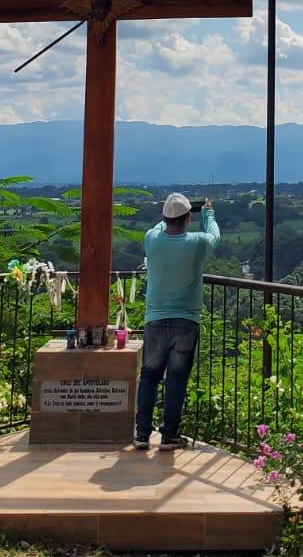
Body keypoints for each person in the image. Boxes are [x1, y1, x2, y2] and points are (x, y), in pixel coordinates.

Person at [134, 192, 219, 451]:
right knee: (176, 380)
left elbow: (161, 226)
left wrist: (171, 214)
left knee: (149, 376)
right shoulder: (197, 242)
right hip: (186, 320)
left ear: (164, 217)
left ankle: (141, 434)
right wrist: (208, 212)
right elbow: (215, 235)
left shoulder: (151, 239)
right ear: (188, 218)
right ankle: (169, 435)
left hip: (156, 318)